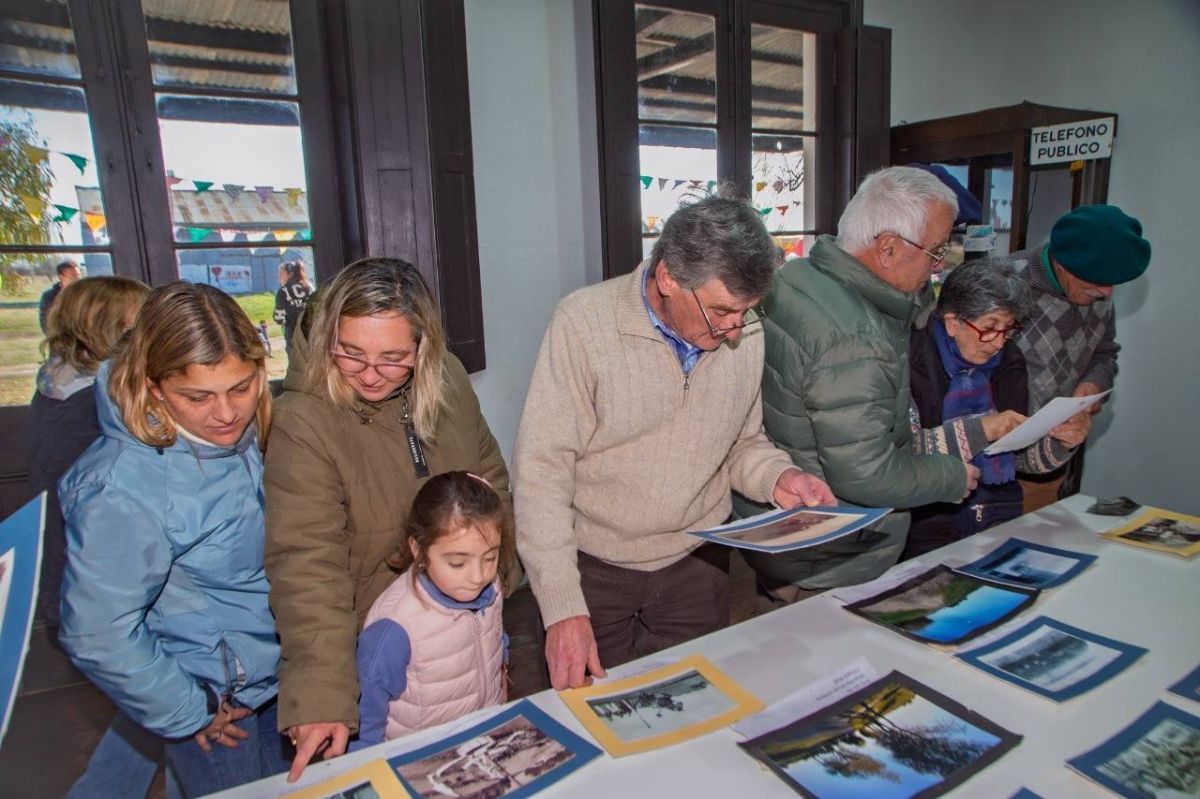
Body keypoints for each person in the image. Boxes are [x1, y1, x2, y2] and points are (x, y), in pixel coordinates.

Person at [512, 194, 835, 692]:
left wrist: (779, 475)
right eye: (722, 311)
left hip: (698, 560)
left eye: (747, 312)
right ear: (667, 278)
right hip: (595, 566)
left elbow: (742, 442)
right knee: (595, 718)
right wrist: (561, 608)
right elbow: (542, 474)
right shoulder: (583, 325)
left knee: (695, 710)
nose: (733, 330)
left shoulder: (746, 330)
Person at [264, 257, 511, 781]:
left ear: (424, 348)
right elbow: (307, 564)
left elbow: (489, 482)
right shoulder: (303, 420)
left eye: (394, 358)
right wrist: (323, 691)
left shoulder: (448, 382)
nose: (372, 375)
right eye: (351, 354)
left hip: (460, 635)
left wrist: (492, 583)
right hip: (372, 656)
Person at [58, 283, 286, 797]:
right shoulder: (121, 485)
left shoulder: (243, 436)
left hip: (274, 679)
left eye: (242, 387)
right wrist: (189, 711)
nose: (227, 413)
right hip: (216, 703)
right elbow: (98, 631)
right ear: (154, 386)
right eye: (198, 397)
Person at [736, 166, 979, 607]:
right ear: (887, 248)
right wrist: (952, 476)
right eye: (936, 250)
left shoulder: (800, 276)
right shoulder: (855, 340)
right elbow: (866, 474)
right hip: (831, 552)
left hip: (783, 531)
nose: (939, 264)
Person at [26, 276, 160, 798]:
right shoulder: (93, 411)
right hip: (100, 592)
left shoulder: (58, 385)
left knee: (149, 720)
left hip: (74, 586)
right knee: (165, 715)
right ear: (109, 331)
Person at [903, 257, 1088, 558]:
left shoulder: (1008, 362)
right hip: (924, 521)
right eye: (990, 328)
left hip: (997, 513)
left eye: (1009, 329)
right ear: (953, 322)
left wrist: (1059, 441)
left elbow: (1020, 458)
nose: (999, 342)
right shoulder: (910, 361)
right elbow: (900, 457)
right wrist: (981, 430)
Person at [354, 471, 515, 747]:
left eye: (490, 557)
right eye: (457, 563)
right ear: (418, 549)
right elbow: (366, 720)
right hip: (421, 756)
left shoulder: (492, 586)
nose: (478, 576)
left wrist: (502, 665)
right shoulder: (396, 625)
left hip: (481, 740)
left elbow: (494, 635)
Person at [1010, 204, 1151, 512]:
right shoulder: (1004, 282)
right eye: (1097, 281)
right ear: (1062, 262)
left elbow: (1105, 352)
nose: (1107, 292)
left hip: (1050, 465)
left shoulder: (1097, 292)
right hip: (993, 471)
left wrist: (1092, 385)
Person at [273, 260, 314, 355]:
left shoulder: (283, 291)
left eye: (281, 274)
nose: (279, 278)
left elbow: (279, 318)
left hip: (293, 337)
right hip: (312, 334)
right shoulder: (309, 287)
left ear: (289, 273)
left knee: (297, 366)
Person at [38, 259, 82, 333]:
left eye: (78, 276)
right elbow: (46, 323)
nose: (77, 280)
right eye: (73, 276)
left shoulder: (86, 294)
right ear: (61, 277)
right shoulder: (50, 297)